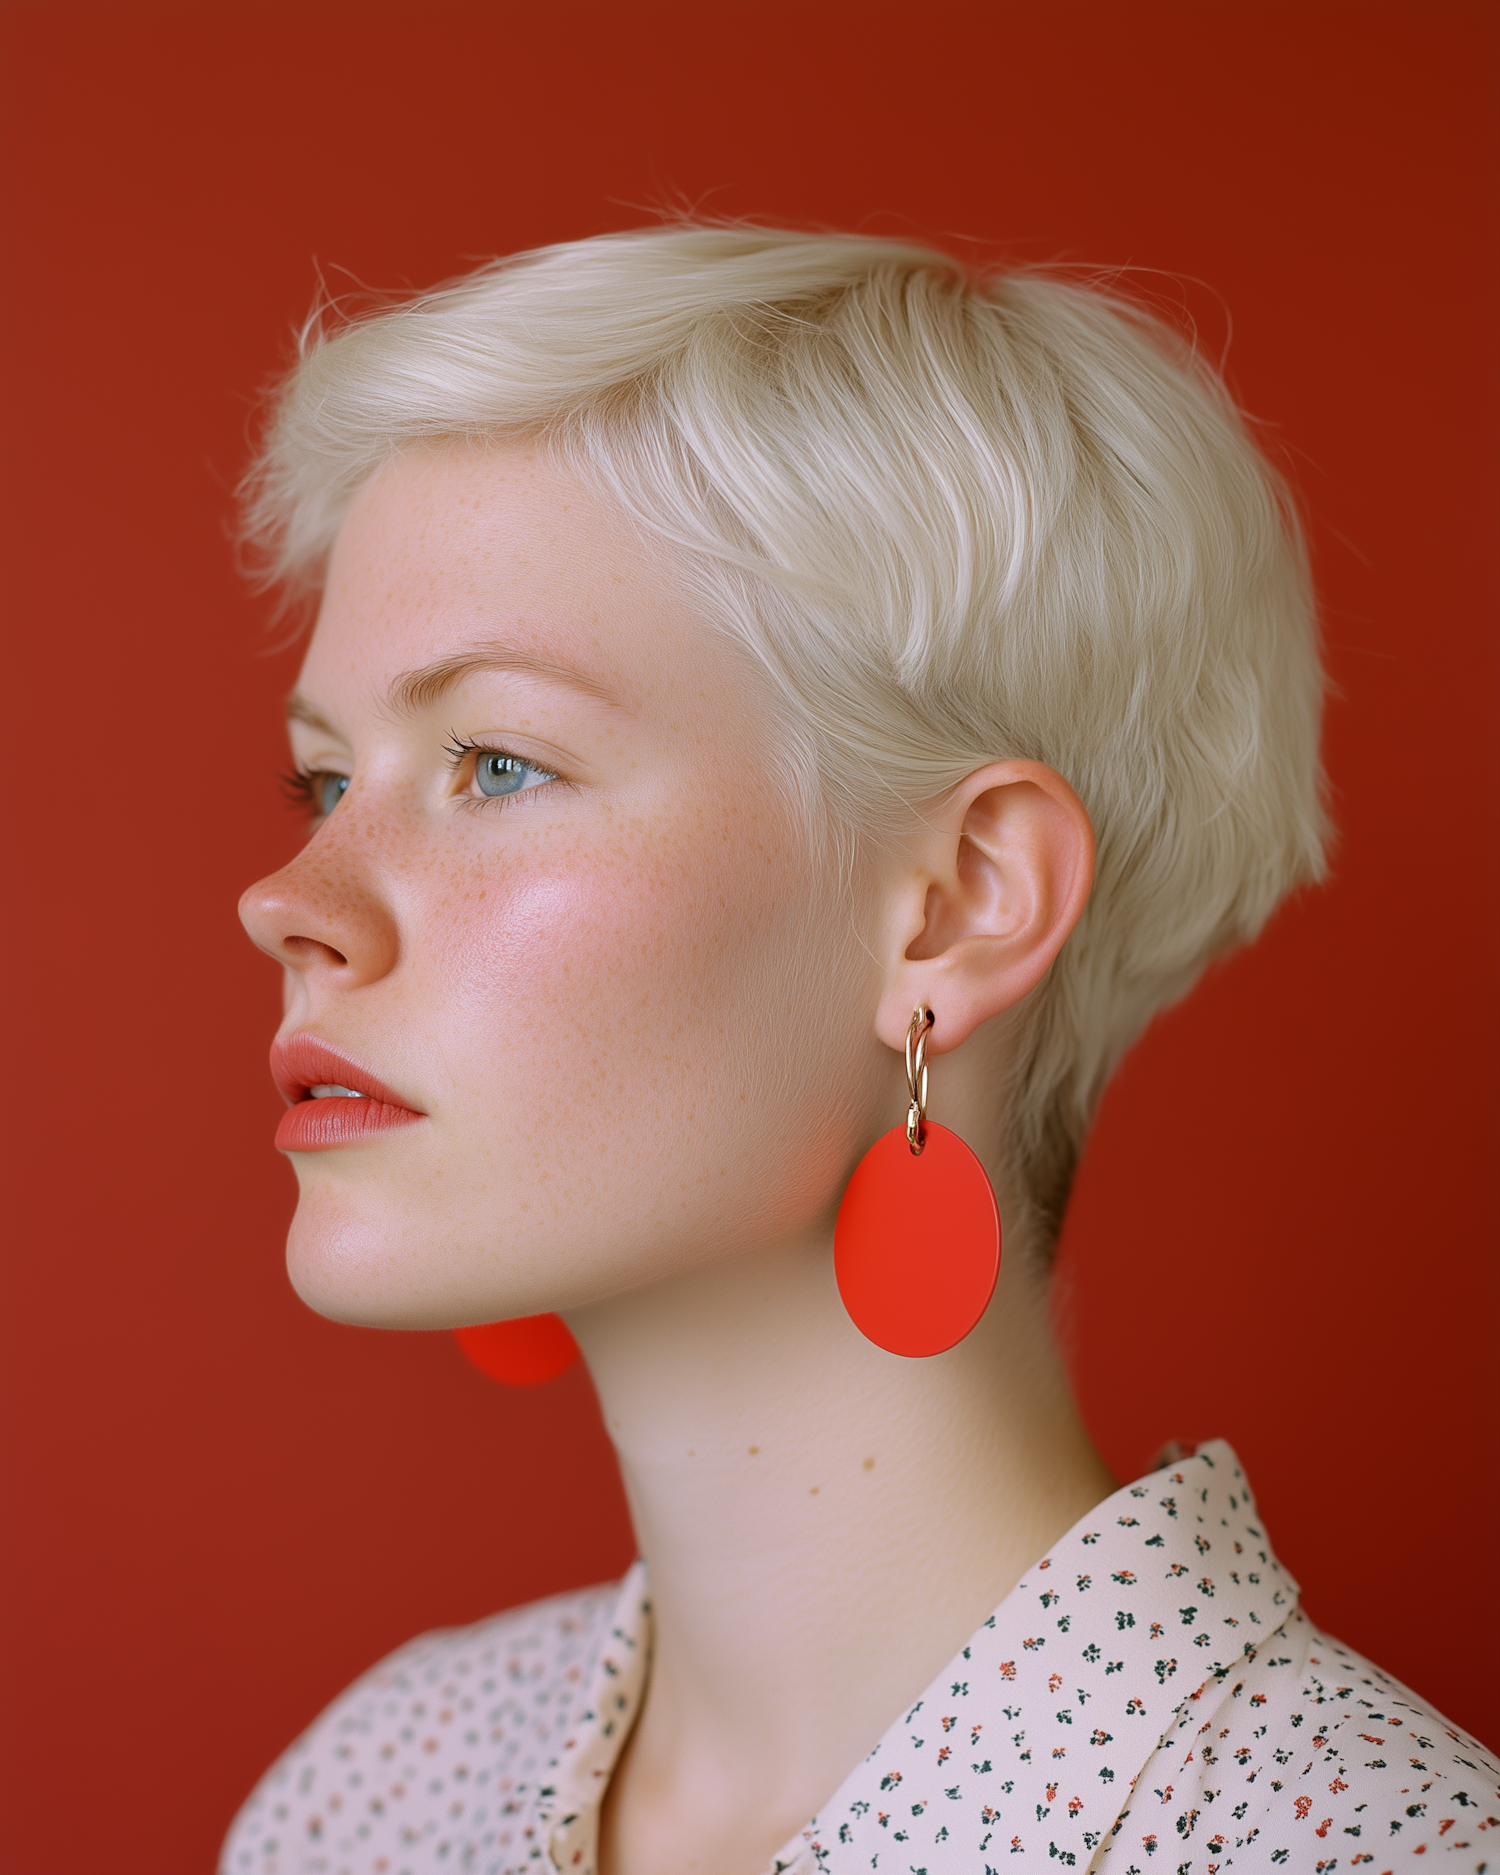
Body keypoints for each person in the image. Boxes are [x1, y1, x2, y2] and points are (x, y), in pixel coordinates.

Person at [223, 225, 1495, 1875]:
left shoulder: (1367, 1846)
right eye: (328, 781)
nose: (288, 901)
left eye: (497, 762)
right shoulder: (372, 1800)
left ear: (960, 903)